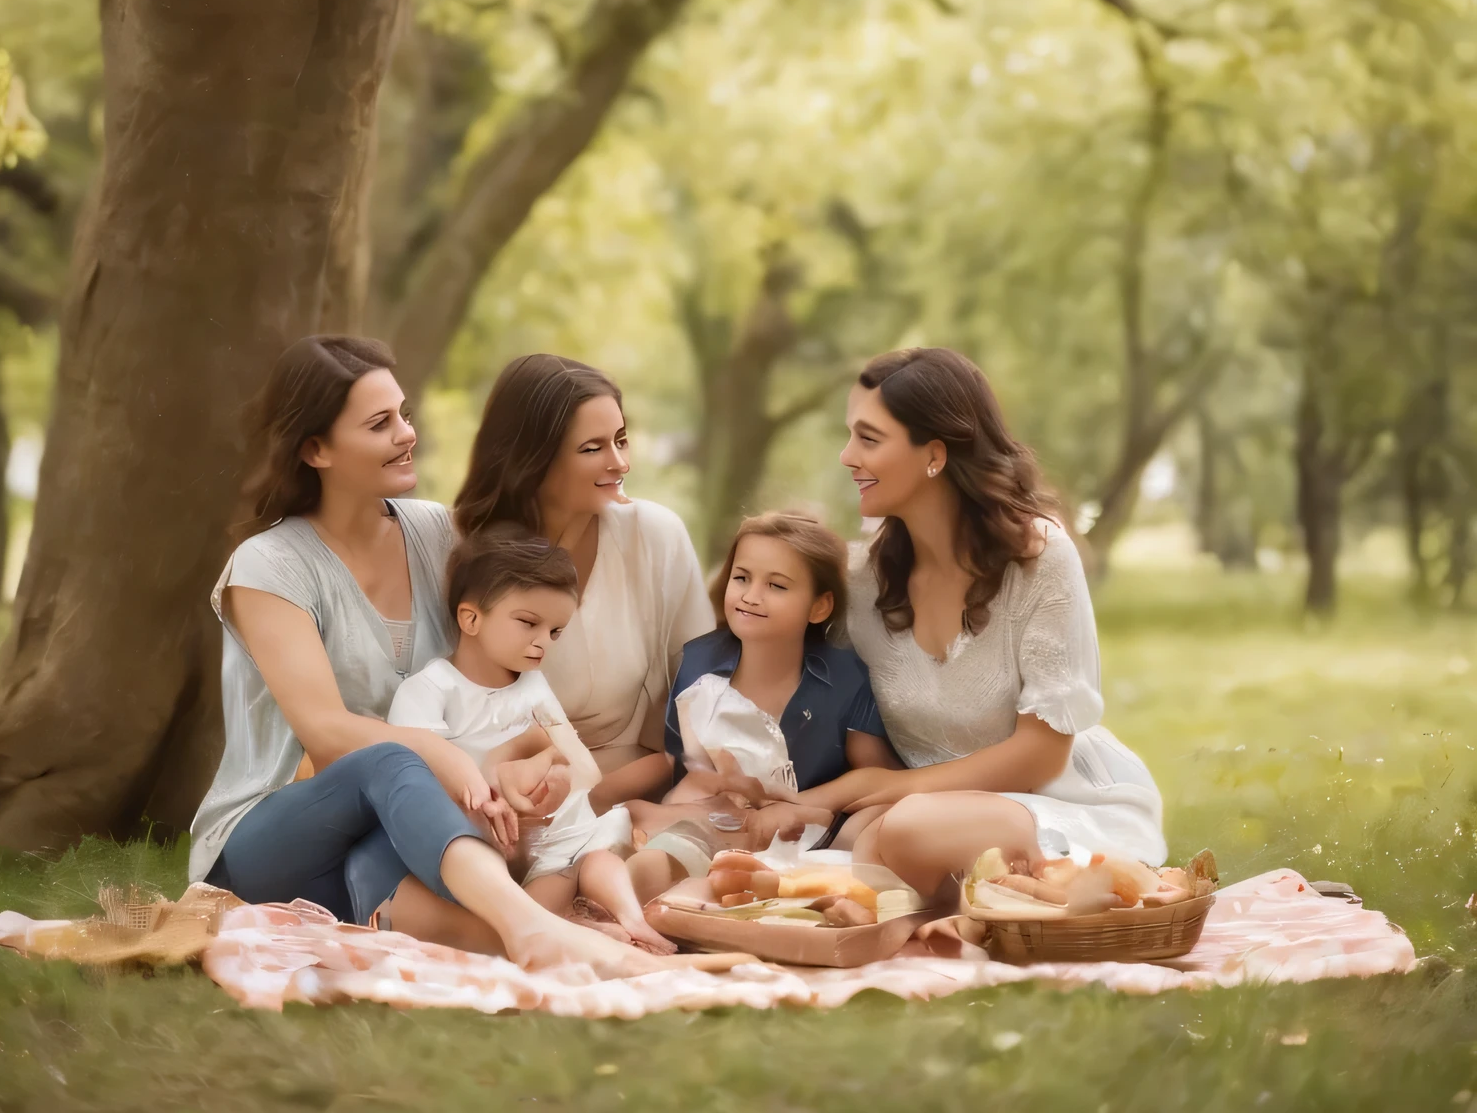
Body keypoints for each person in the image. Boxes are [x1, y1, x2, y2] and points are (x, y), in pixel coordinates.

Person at [187, 335, 652, 976]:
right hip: (276, 833)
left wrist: (532, 765)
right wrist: (443, 754)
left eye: (403, 413)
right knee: (389, 760)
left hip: (401, 829)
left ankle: (579, 948)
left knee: (391, 869)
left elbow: (502, 666)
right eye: (380, 424)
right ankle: (536, 929)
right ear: (316, 450)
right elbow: (324, 733)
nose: (408, 434)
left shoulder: (437, 533)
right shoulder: (267, 567)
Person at [754, 348, 1165, 897]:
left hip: (1057, 799)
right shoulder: (861, 580)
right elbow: (797, 677)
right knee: (861, 840)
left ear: (935, 455)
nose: (847, 456)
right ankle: (979, 905)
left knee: (898, 832)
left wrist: (894, 787)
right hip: (924, 813)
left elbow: (1043, 752)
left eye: (869, 439)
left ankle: (1073, 885)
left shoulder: (1040, 559)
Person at [389, 532, 672, 953]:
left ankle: (631, 921)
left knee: (594, 860)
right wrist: (510, 767)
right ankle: (592, 933)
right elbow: (416, 785)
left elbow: (575, 762)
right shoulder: (430, 691)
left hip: (557, 840)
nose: (544, 641)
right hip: (485, 851)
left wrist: (549, 772)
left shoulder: (534, 686)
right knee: (528, 914)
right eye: (529, 623)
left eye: (556, 631)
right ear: (471, 619)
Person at [453, 354, 713, 805]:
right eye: (592, 449)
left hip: (641, 788)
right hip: (504, 797)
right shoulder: (463, 550)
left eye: (621, 440)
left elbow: (704, 693)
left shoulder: (653, 534)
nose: (619, 463)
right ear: (531, 458)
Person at [629, 508, 899, 893]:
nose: (751, 596)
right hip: (708, 822)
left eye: (777, 586)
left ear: (819, 606)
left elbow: (876, 777)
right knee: (658, 830)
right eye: (742, 578)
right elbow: (674, 760)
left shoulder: (844, 679)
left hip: (807, 832)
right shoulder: (697, 663)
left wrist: (798, 806)